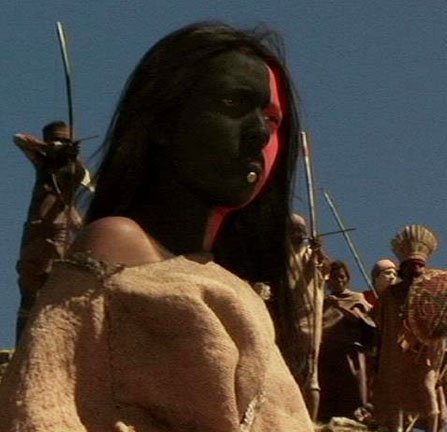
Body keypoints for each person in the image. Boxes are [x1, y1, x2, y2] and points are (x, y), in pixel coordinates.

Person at [0, 22, 313, 431]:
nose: (259, 133)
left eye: (272, 120)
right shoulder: (120, 249)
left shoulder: (238, 288)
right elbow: (45, 408)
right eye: (233, 103)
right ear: (164, 120)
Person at [372, 225, 447, 432]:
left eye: (420, 266)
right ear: (404, 269)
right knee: (397, 396)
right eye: (413, 266)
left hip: (426, 354)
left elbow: (441, 317)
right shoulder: (390, 296)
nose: (417, 270)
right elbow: (383, 325)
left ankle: (433, 428)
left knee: (428, 390)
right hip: (397, 355)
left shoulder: (432, 291)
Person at [13, 121, 90, 343]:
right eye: (54, 140)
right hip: (35, 230)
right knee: (28, 287)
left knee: (53, 286)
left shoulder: (74, 168)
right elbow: (19, 138)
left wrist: (70, 157)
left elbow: (73, 192)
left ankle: (49, 341)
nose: (58, 144)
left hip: (59, 232)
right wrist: (49, 148)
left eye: (63, 140)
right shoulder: (44, 163)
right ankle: (21, 345)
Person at [317, 261, 375, 423]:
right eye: (334, 277)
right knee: (328, 392)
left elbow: (358, 317)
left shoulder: (355, 298)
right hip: (327, 352)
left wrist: (338, 306)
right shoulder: (323, 302)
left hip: (349, 350)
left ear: (347, 278)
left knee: (352, 391)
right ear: (328, 281)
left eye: (342, 277)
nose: (339, 280)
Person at [286, 213, 330, 418]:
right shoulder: (282, 256)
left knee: (311, 372)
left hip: (310, 319)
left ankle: (310, 421)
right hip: (287, 318)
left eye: (300, 230)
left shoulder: (310, 255)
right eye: (293, 230)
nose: (298, 234)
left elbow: (324, 268)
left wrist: (317, 250)